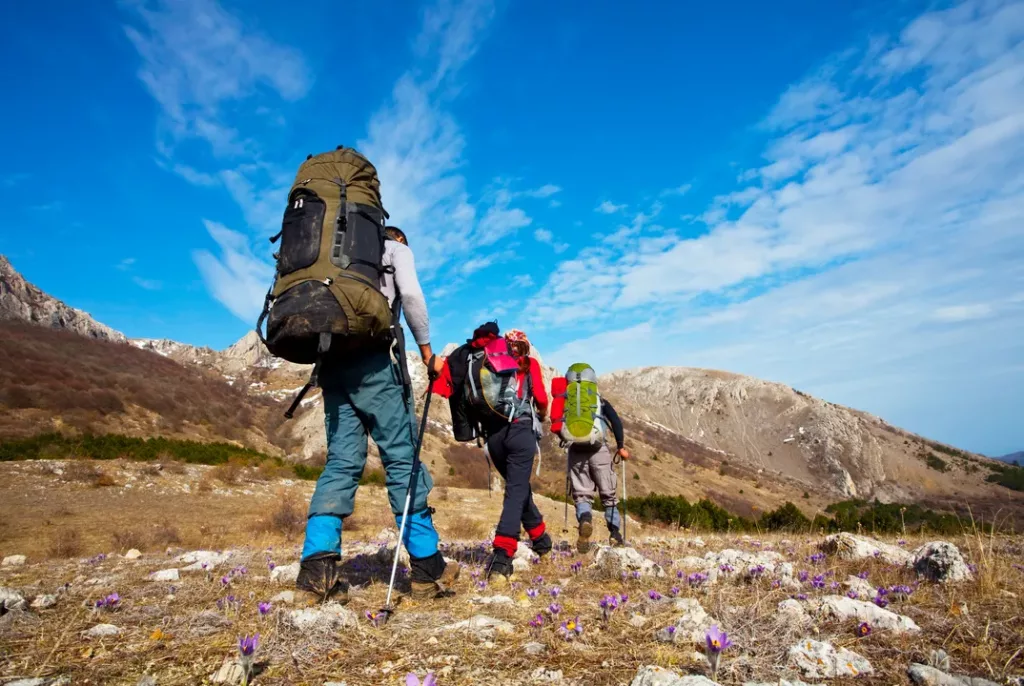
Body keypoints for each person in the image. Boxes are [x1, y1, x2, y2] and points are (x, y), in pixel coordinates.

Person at [296, 225, 458, 603]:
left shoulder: (334, 256)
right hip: (374, 364)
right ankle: (426, 568)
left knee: (340, 463)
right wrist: (427, 351)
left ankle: (315, 572)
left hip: (332, 364)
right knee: (402, 459)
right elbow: (413, 296)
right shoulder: (394, 248)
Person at [431, 325, 552, 585]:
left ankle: (541, 540)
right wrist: (543, 415)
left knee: (518, 488)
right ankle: (502, 554)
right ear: (526, 347)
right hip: (520, 432)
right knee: (516, 490)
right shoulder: (529, 364)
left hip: (494, 437)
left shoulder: (489, 362)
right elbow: (541, 397)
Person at [569, 395, 630, 552]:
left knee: (582, 494)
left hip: (576, 451)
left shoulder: (569, 399)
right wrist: (620, 446)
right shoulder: (599, 400)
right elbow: (615, 421)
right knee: (608, 495)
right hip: (599, 449)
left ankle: (585, 519)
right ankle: (615, 534)